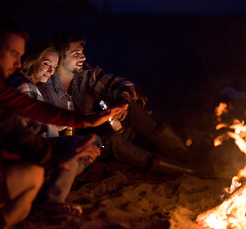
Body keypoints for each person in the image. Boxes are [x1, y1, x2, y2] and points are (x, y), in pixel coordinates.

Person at [0, 0, 125, 229]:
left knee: (34, 176)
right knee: (32, 174)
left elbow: (32, 108)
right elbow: (2, 128)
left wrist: (84, 121)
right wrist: (54, 157)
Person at [38, 31, 196, 176]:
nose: (83, 57)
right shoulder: (46, 86)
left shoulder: (85, 75)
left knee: (130, 107)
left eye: (82, 52)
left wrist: (123, 101)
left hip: (106, 129)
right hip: (85, 145)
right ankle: (183, 170)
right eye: (76, 54)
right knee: (111, 139)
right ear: (60, 57)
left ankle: (187, 157)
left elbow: (119, 84)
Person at [6, 40, 94, 216]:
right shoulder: (24, 85)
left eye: (54, 67)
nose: (51, 71)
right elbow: (34, 129)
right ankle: (51, 197)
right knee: (87, 144)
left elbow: (35, 121)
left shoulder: (29, 85)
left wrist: (59, 126)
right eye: (46, 64)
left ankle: (53, 184)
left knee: (86, 147)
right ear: (32, 60)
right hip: (39, 149)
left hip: (42, 145)